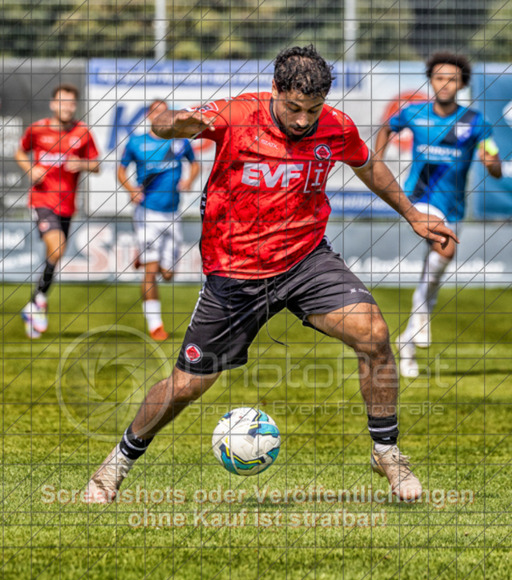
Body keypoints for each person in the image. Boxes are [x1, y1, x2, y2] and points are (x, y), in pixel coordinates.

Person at [85, 45, 458, 505]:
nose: (303, 120)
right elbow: (168, 124)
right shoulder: (237, 115)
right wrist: (169, 123)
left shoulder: (336, 126)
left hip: (306, 260)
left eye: (312, 110)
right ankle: (116, 464)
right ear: (276, 90)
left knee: (374, 334)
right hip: (235, 273)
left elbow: (369, 166)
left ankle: (386, 452)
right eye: (294, 108)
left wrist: (412, 214)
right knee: (186, 386)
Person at [375, 51, 502, 377]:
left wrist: (492, 163)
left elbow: (494, 163)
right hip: (419, 199)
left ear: (462, 84)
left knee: (431, 278)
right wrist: (376, 159)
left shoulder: (475, 122)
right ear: (431, 80)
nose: (445, 83)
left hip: (453, 206)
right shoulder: (414, 113)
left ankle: (408, 342)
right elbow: (387, 127)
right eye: (439, 77)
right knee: (446, 246)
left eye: (452, 79)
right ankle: (418, 325)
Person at [15, 84, 100, 339]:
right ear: (53, 104)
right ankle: (37, 302)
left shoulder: (82, 132)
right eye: (62, 102)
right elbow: (20, 151)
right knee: (58, 246)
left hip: (67, 205)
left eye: (71, 103)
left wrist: (82, 163)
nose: (67, 107)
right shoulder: (37, 129)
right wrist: (30, 169)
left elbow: (96, 165)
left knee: (55, 254)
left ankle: (35, 303)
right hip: (42, 200)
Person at [118, 99, 200, 340]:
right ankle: (156, 325)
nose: (161, 117)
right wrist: (131, 189)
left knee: (168, 273)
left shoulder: (180, 142)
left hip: (172, 213)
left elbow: (195, 165)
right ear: (149, 116)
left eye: (165, 113)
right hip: (147, 213)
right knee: (151, 272)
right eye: (157, 113)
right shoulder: (136, 142)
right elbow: (120, 170)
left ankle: (141, 256)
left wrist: (189, 180)